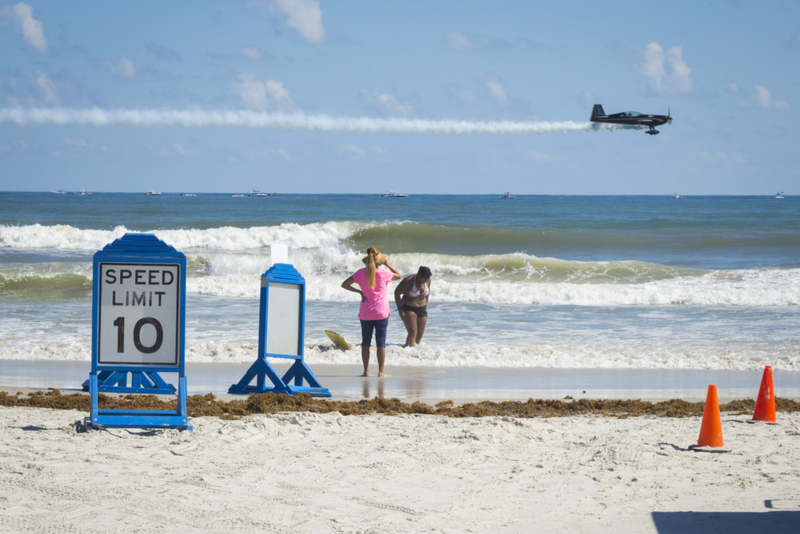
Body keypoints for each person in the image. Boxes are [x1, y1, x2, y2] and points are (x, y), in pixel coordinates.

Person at [341, 247, 401, 377]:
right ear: (379, 262)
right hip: (381, 312)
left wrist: (360, 292)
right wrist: (388, 265)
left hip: (366, 313)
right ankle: (381, 371)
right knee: (381, 343)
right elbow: (399, 275)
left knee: (365, 343)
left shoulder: (360, 273)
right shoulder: (384, 273)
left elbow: (344, 284)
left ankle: (366, 371)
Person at [394, 266, 432, 348]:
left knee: (419, 335)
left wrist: (426, 305)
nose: (426, 281)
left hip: (422, 309)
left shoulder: (427, 280)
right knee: (412, 331)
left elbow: (427, 293)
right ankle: (410, 353)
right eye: (424, 279)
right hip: (409, 307)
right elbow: (397, 293)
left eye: (427, 279)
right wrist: (400, 309)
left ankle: (408, 350)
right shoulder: (408, 281)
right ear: (419, 276)